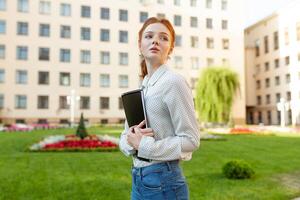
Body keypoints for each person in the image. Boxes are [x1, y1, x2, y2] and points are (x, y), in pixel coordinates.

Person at [119, 17, 200, 200]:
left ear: (170, 49)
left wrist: (145, 145)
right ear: (140, 45)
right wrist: (130, 141)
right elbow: (127, 136)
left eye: (163, 38)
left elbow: (191, 140)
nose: (155, 40)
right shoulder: (144, 86)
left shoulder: (174, 82)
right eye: (149, 36)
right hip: (139, 180)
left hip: (164, 182)